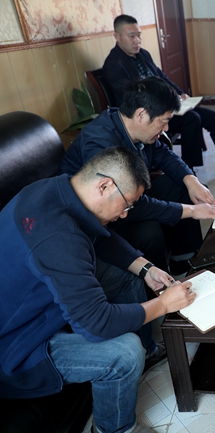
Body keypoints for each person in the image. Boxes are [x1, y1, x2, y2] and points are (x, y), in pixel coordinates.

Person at [0, 147, 197, 433]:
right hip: (15, 348)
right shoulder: (57, 237)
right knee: (124, 354)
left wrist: (146, 268)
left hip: (34, 307)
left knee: (127, 275)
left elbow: (98, 236)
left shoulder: (51, 190)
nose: (125, 214)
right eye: (127, 204)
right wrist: (164, 305)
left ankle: (148, 352)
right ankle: (114, 429)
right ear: (104, 186)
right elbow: (96, 324)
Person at [59, 76, 215, 276]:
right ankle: (161, 285)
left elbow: (163, 154)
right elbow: (124, 202)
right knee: (149, 231)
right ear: (141, 114)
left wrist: (191, 180)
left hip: (127, 197)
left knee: (181, 185)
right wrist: (191, 211)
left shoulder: (134, 128)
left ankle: (185, 261)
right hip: (100, 214)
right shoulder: (100, 143)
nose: (166, 129)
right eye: (164, 121)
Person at [104, 14, 215, 174]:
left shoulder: (143, 54)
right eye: (131, 36)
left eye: (139, 35)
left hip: (164, 107)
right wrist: (163, 104)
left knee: (212, 117)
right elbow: (130, 99)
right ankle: (187, 171)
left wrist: (179, 93)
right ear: (117, 37)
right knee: (192, 119)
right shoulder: (114, 64)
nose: (137, 40)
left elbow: (161, 77)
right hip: (148, 115)